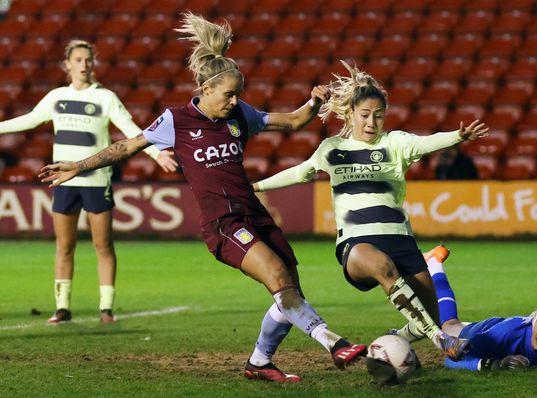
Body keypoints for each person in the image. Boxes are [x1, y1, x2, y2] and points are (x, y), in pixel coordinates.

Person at [40, 13, 366, 383]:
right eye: (229, 94)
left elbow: (290, 122)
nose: (235, 100)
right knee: (276, 276)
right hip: (223, 224)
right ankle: (334, 342)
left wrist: (312, 103)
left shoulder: (239, 114)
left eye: (238, 94)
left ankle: (260, 362)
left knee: (290, 288)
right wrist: (78, 166)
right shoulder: (175, 121)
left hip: (254, 213)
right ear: (206, 89)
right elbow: (125, 146)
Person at [252, 61, 490, 362]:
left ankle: (399, 338)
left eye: (378, 116)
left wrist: (458, 137)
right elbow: (301, 172)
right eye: (365, 115)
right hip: (356, 243)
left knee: (429, 312)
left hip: (399, 239)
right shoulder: (332, 148)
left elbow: (428, 142)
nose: (371, 122)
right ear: (350, 113)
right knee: (383, 268)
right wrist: (256, 186)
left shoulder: (396, 143)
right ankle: (440, 339)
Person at [0, 39, 178, 324]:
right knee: (64, 245)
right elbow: (30, 120)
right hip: (64, 181)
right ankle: (62, 308)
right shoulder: (57, 96)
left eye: (88, 60)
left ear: (92, 64)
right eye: (78, 60)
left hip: (96, 179)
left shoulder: (105, 97)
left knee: (103, 245)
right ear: (67, 65)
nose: (84, 64)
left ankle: (106, 308)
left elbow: (130, 129)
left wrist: (157, 155)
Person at [415, 245, 537, 371]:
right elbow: (451, 360)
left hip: (522, 324)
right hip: (486, 330)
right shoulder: (504, 335)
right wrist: (493, 364)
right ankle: (434, 263)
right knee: (449, 326)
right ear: (533, 318)